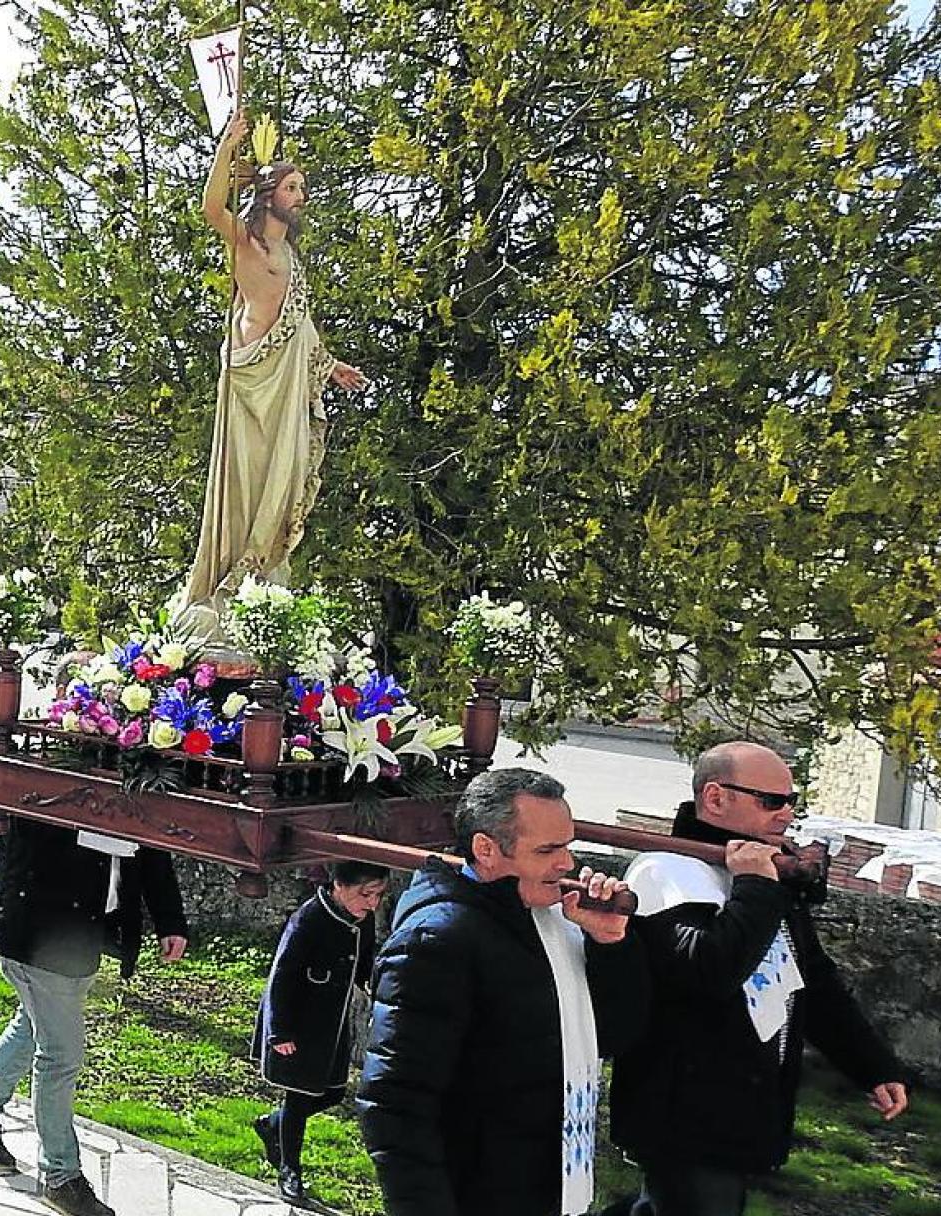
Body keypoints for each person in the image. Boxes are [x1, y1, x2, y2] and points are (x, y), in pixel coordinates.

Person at [606, 742, 909, 1216]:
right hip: (683, 1112)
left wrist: (872, 1065)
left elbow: (811, 979)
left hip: (743, 1105)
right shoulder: (663, 872)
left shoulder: (765, 875)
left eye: (792, 801)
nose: (786, 815)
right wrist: (756, 887)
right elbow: (711, 971)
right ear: (715, 797)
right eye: (770, 801)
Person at [359, 768, 647, 1216]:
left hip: (550, 1187)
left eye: (567, 845)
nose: (567, 864)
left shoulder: (555, 920)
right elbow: (395, 1101)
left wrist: (611, 946)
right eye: (548, 850)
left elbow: (614, 1036)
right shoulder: (438, 940)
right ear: (486, 849)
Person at [171, 110, 366, 639]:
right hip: (251, 383)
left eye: (302, 187)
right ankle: (223, 585)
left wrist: (328, 365)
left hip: (285, 385)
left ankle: (257, 579)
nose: (301, 195)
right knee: (242, 488)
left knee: (280, 486)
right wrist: (229, 145)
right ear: (269, 194)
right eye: (292, 187)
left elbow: (298, 322)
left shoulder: (290, 254)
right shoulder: (248, 244)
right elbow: (211, 206)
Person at [0, 820, 189, 1216]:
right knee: (61, 1055)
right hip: (38, 936)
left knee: (31, 1027)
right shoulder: (56, 775)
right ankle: (60, 1175)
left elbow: (151, 842)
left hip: (80, 936)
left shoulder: (135, 779)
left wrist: (169, 920)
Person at [252, 861, 388, 1210]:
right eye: (365, 894)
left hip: (333, 1023)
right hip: (300, 1025)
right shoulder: (307, 921)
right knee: (298, 1097)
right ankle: (289, 1171)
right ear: (339, 886)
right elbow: (281, 976)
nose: (372, 903)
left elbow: (364, 958)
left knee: (331, 1092)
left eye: (378, 895)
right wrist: (279, 1030)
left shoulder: (362, 919)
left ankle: (273, 1125)